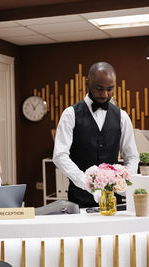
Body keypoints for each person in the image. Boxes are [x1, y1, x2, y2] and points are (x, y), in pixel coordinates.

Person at [53, 62, 139, 208]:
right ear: (88, 82)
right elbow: (60, 155)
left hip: (114, 203)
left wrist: (124, 184)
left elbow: (132, 156)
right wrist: (86, 183)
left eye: (110, 89)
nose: (105, 94)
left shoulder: (122, 117)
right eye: (99, 89)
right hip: (78, 202)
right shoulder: (70, 114)